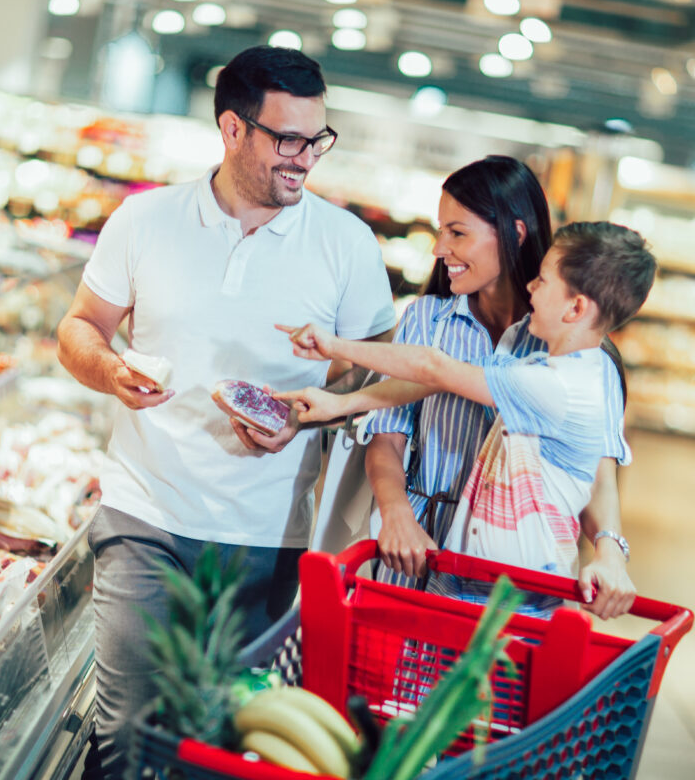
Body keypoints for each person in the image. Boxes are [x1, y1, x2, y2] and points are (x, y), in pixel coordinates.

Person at [56, 45, 396, 780]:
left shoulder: (347, 246)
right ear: (233, 129)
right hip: (144, 515)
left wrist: (310, 415)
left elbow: (373, 374)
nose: (305, 159)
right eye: (287, 139)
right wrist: (113, 372)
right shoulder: (145, 220)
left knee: (219, 740)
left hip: (269, 536)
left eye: (317, 140)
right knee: (126, 731)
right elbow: (79, 327)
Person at [277, 221, 657, 615]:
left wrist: (334, 345)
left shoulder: (553, 386)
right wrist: (340, 404)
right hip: (478, 584)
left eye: (543, 282)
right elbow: (438, 381)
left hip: (502, 605)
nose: (530, 287)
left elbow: (433, 368)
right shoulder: (554, 367)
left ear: (576, 307)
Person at [335, 156, 634, 618]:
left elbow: (596, 474)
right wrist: (396, 514)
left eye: (457, 233)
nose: (439, 248)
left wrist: (610, 551)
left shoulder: (582, 359)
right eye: (441, 231)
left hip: (509, 582)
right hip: (413, 553)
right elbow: (387, 436)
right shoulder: (427, 319)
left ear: (514, 233)